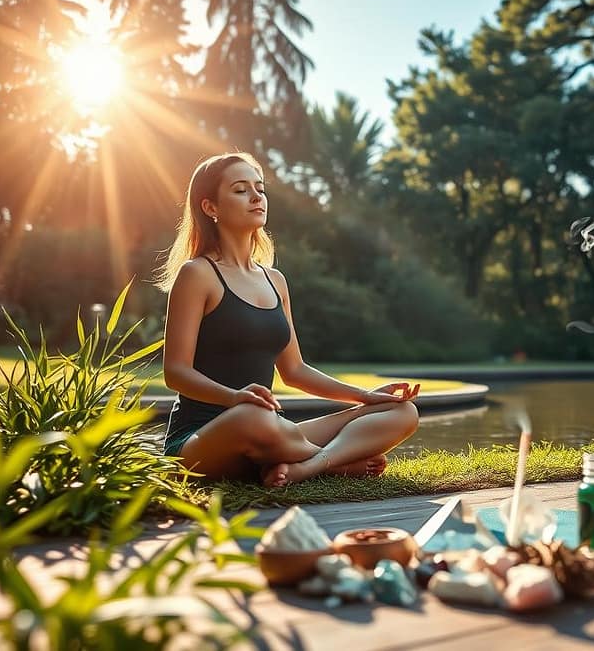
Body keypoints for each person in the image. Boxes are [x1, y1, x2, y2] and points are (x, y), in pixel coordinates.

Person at [155, 152, 419, 487]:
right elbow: (176, 373)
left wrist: (366, 397)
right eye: (240, 190)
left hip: (271, 428)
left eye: (259, 188)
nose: (256, 197)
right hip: (201, 440)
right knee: (254, 418)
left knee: (402, 412)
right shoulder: (197, 274)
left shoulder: (274, 280)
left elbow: (294, 371)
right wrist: (234, 399)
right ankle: (336, 464)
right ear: (210, 208)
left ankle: (308, 466)